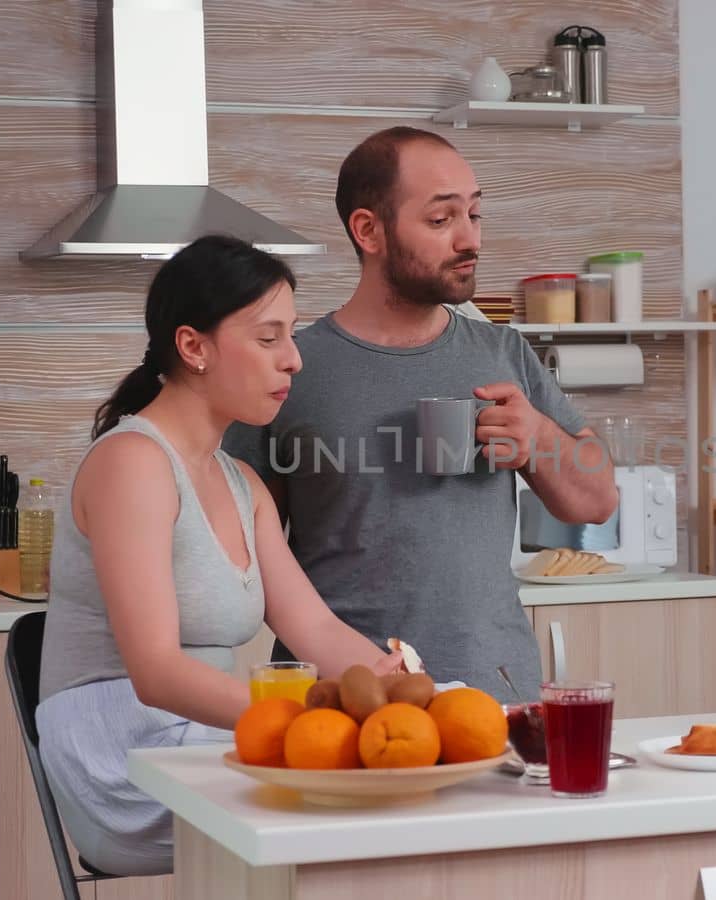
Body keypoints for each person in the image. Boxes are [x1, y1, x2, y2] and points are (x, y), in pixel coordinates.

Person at [35, 235, 403, 876]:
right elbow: (156, 673)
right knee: (362, 792)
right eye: (268, 339)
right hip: (125, 752)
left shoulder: (240, 482)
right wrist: (314, 713)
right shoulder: (133, 464)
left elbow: (312, 627)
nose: (293, 361)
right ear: (193, 346)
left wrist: (384, 680)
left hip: (200, 737)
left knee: (401, 760)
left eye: (291, 337)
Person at [224, 126, 619, 700]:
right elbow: (249, 554)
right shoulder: (291, 368)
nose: (469, 240)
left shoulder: (504, 354)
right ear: (368, 230)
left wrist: (538, 437)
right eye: (441, 221)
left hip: (496, 695)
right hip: (345, 701)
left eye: (475, 215)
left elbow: (598, 499)